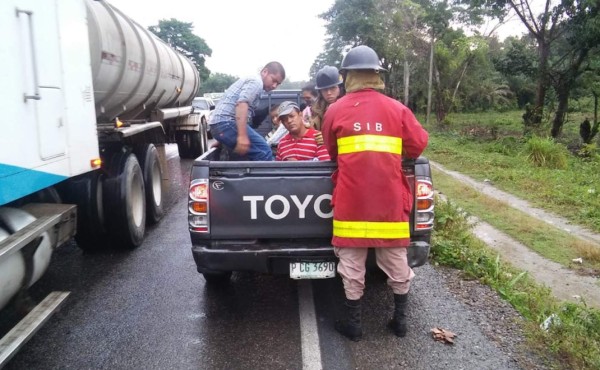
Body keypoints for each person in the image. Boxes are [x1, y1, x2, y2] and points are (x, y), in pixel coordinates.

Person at [321, 45, 428, 341]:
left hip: (352, 203)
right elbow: (418, 145)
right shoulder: (397, 109)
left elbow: (331, 151)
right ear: (376, 75)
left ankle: (354, 325)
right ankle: (400, 321)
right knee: (396, 262)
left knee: (351, 265)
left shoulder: (335, 110)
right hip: (388, 203)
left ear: (348, 77)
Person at [209, 62, 285, 161]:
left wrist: (223, 140)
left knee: (244, 153)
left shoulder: (252, 82)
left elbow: (228, 106)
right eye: (273, 80)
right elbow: (241, 104)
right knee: (264, 151)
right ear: (264, 72)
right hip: (226, 124)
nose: (275, 86)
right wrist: (242, 136)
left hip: (219, 126)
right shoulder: (256, 82)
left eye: (278, 84)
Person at [310, 65, 343, 131]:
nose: (329, 93)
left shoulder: (349, 107)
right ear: (320, 92)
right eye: (325, 89)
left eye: (333, 88)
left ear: (340, 88)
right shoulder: (316, 111)